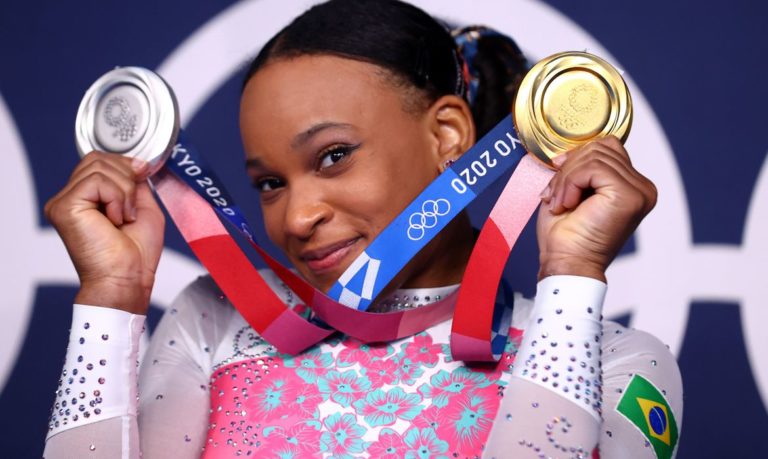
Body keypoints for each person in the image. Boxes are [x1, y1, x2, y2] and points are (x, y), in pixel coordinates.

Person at [42, 0, 683, 457]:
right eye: (270, 183)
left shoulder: (620, 364)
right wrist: (111, 294)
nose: (296, 217)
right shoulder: (214, 322)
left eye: (333, 156)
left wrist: (570, 275)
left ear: (448, 136)